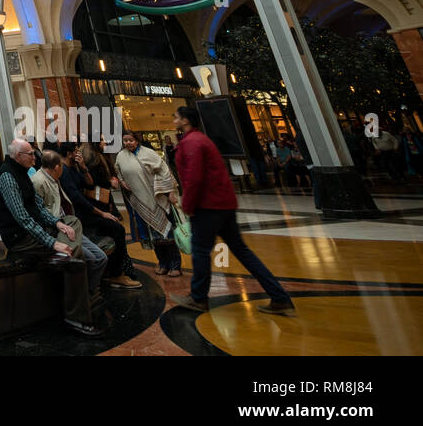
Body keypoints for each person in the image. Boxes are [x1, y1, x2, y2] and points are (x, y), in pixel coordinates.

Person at [171, 106, 294, 315]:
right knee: (242, 251)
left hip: (208, 206)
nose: (173, 120)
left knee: (200, 251)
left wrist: (188, 205)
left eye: (176, 117)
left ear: (185, 120)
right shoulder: (201, 140)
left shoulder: (191, 142)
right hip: (224, 204)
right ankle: (280, 297)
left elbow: (194, 178)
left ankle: (198, 298)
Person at [0, 138, 106, 337]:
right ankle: (77, 317)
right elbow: (23, 219)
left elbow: (38, 207)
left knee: (72, 220)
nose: (34, 156)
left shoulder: (22, 173)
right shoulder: (8, 176)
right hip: (20, 238)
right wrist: (53, 243)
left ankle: (65, 255)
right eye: (30, 154)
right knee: (76, 258)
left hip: (37, 230)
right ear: (18, 156)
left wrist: (58, 224)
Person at [59, 142, 141, 290]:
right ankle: (116, 275)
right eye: (76, 151)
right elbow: (77, 198)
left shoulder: (74, 167)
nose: (79, 153)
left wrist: (83, 167)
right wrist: (102, 213)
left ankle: (115, 270)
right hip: (79, 215)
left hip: (88, 210)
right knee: (117, 229)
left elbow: (89, 184)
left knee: (115, 227)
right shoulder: (64, 171)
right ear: (70, 153)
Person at [112, 132, 182, 277]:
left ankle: (175, 266)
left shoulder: (148, 153)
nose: (128, 143)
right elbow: (118, 171)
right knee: (154, 237)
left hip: (157, 199)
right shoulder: (121, 156)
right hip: (140, 201)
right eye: (125, 141)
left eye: (130, 140)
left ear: (137, 140)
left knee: (166, 234)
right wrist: (122, 181)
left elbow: (164, 171)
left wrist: (169, 192)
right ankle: (163, 264)